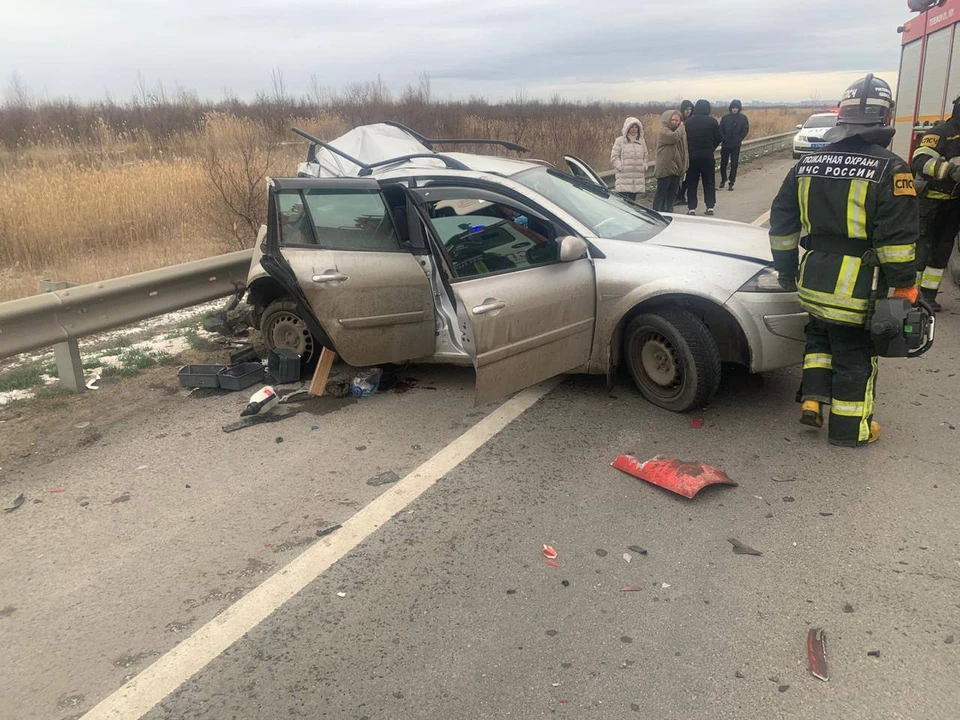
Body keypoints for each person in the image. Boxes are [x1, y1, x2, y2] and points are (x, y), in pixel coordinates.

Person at [768, 74, 919, 448]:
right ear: (885, 118)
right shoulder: (891, 169)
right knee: (855, 355)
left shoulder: (807, 164)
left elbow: (782, 225)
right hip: (858, 288)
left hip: (813, 280)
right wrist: (904, 285)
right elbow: (897, 240)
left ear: (842, 114)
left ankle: (812, 404)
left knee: (819, 338)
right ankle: (852, 430)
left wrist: (787, 270)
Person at [910, 95, 960, 312]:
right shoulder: (939, 134)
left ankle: (929, 296)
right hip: (930, 203)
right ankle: (911, 295)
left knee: (942, 251)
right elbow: (919, 161)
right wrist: (949, 170)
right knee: (922, 250)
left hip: (954, 205)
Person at [683, 99, 722, 215]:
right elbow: (720, 137)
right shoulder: (712, 122)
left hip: (692, 156)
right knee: (709, 181)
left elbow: (684, 139)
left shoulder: (689, 122)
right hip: (707, 156)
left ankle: (691, 207)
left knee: (692, 182)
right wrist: (711, 148)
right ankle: (710, 206)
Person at [653, 110, 688, 212]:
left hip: (676, 167)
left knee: (673, 192)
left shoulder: (681, 133)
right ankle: (656, 211)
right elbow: (674, 138)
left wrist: (684, 165)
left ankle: (669, 211)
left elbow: (684, 149)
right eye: (672, 119)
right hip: (665, 167)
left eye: (677, 120)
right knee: (661, 191)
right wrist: (682, 127)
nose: (674, 122)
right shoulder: (664, 131)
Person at [611, 117, 649, 201]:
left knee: (632, 203)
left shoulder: (641, 141)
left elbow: (646, 156)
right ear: (627, 128)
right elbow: (614, 156)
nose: (634, 129)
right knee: (623, 203)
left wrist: (644, 166)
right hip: (624, 177)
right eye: (632, 127)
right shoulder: (620, 141)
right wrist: (620, 167)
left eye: (636, 127)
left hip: (637, 178)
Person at [719, 99, 750, 190]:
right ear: (730, 108)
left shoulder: (743, 118)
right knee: (723, 163)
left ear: (739, 108)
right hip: (725, 144)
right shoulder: (725, 118)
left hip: (736, 145)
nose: (734, 109)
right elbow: (720, 129)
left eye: (736, 108)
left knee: (734, 164)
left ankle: (731, 182)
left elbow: (745, 129)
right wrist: (723, 138)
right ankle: (723, 179)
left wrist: (739, 138)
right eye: (733, 108)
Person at [675, 99, 695, 205]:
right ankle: (677, 195)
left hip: (689, 151)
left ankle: (682, 195)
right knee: (678, 175)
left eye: (690, 109)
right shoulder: (678, 120)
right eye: (686, 109)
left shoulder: (693, 121)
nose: (688, 111)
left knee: (687, 176)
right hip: (679, 151)